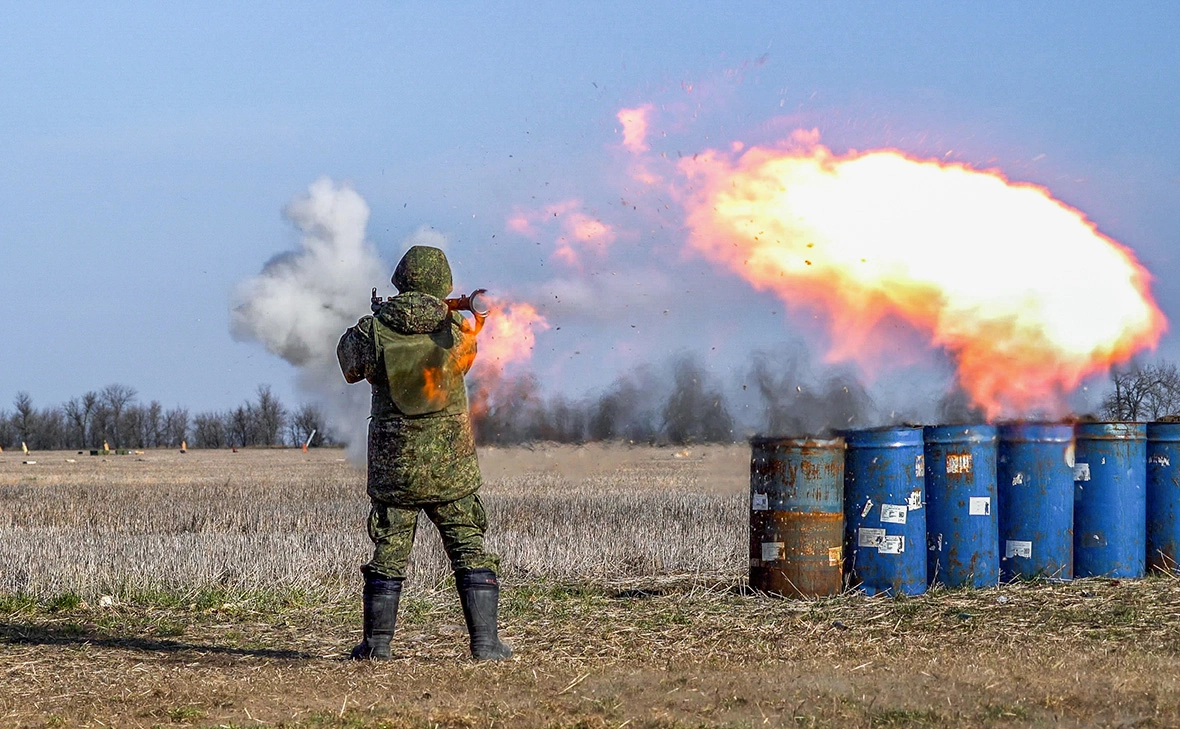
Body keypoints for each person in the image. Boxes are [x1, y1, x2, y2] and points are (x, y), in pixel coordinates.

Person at [336, 245, 511, 661]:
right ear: (442, 284)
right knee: (469, 546)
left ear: (401, 280)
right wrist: (467, 317)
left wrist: (377, 321)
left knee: (389, 551)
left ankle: (377, 646)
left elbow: (348, 365)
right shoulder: (455, 329)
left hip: (395, 467)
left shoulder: (372, 330)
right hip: (451, 465)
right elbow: (466, 362)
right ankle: (486, 645)